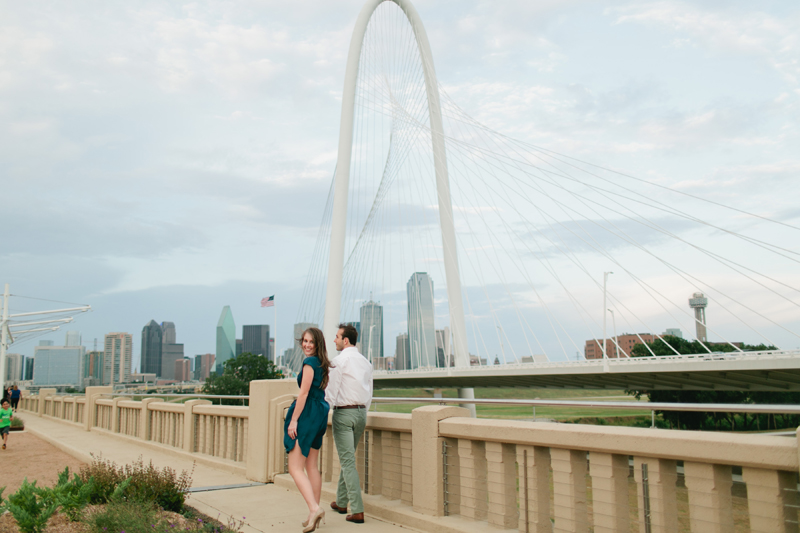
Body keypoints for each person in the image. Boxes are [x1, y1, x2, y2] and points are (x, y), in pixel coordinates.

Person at [284, 327, 332, 533]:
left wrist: (294, 420)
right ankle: (314, 512)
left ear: (318, 343)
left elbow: (303, 394)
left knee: (295, 467)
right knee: (311, 465)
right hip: (320, 412)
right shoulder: (323, 364)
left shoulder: (309, 362)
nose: (306, 344)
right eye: (304, 341)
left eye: (311, 342)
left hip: (308, 414)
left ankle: (314, 507)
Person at [325, 323, 374, 525]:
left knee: (347, 462)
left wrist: (325, 411)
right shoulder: (366, 362)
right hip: (361, 413)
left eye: (337, 337)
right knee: (349, 459)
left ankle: (357, 510)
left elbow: (331, 391)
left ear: (345, 340)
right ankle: (342, 501)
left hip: (344, 414)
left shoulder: (338, 361)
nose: (334, 340)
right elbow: (369, 392)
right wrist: (363, 411)